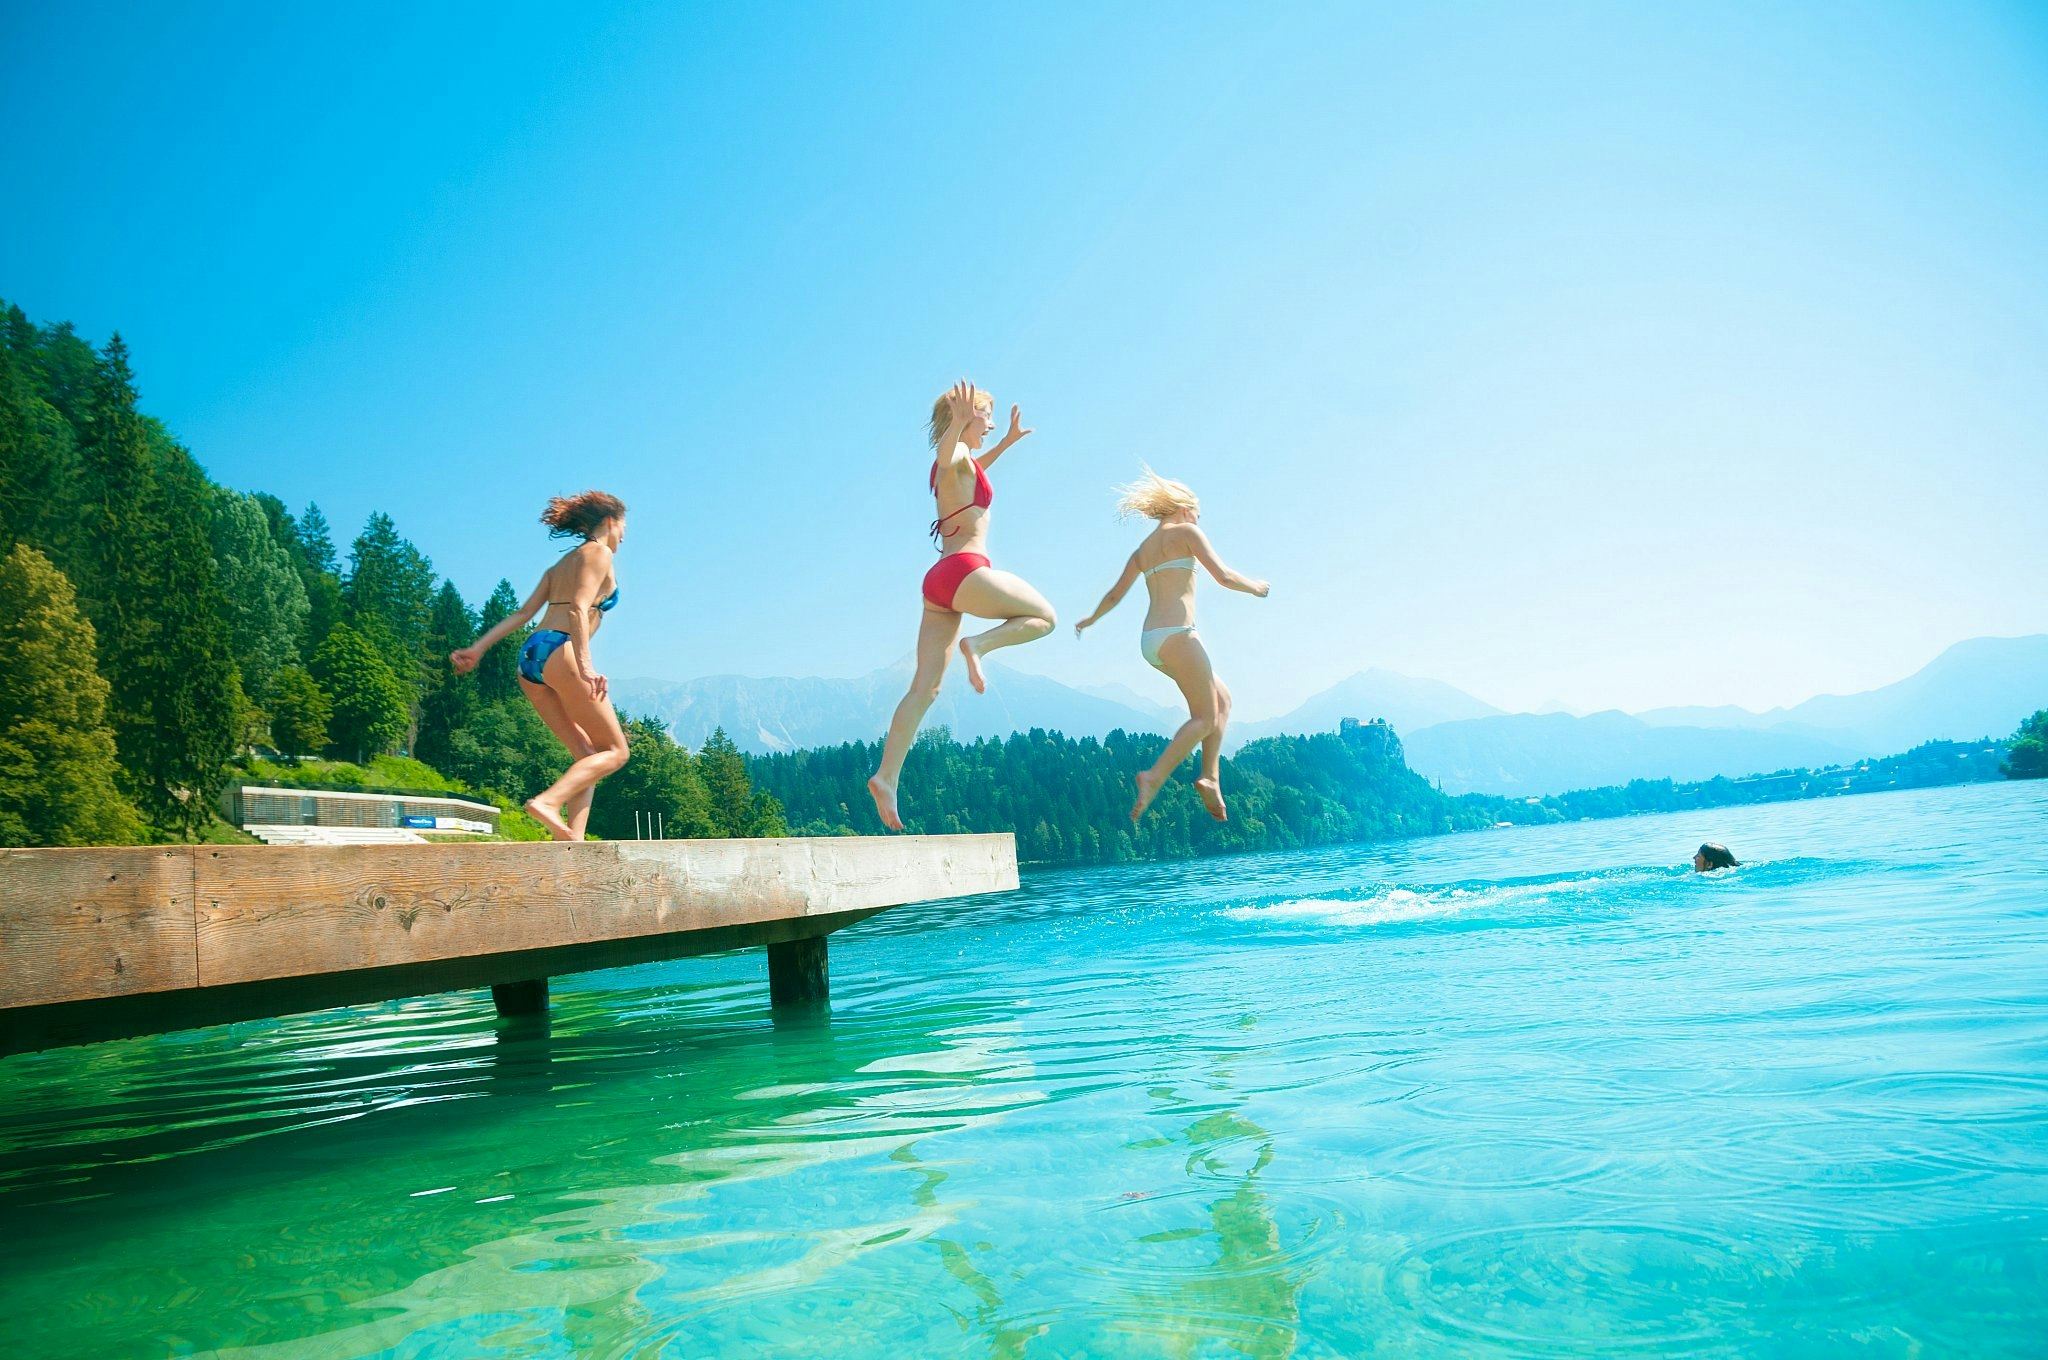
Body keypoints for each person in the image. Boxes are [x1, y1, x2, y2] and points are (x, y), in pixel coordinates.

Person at [867, 381, 1057, 831]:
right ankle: (980, 646)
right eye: (986, 416)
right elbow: (949, 453)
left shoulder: (962, 466)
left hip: (939, 585)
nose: (991, 424)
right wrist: (954, 424)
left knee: (925, 689)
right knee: (1045, 618)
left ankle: (886, 777)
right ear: (965, 417)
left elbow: (972, 465)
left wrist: (1007, 443)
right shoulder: (949, 457)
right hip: (965, 571)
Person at [1074, 468, 1269, 823]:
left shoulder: (1143, 550)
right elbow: (1223, 576)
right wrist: (1256, 587)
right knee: (1205, 716)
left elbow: (1116, 594)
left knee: (1222, 700)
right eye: (1198, 512)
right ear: (1184, 508)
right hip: (1179, 634)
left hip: (1151, 643)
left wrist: (1091, 619)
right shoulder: (1188, 532)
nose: (1198, 519)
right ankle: (1155, 775)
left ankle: (1211, 777)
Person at [450, 491, 631, 840]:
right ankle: (549, 802)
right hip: (562, 651)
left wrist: (478, 648)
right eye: (623, 527)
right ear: (610, 522)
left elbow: (523, 615)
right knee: (616, 752)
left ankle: (572, 838)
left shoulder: (558, 566)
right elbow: (578, 608)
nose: (623, 535)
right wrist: (587, 667)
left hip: (532, 655)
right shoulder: (600, 553)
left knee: (585, 754)